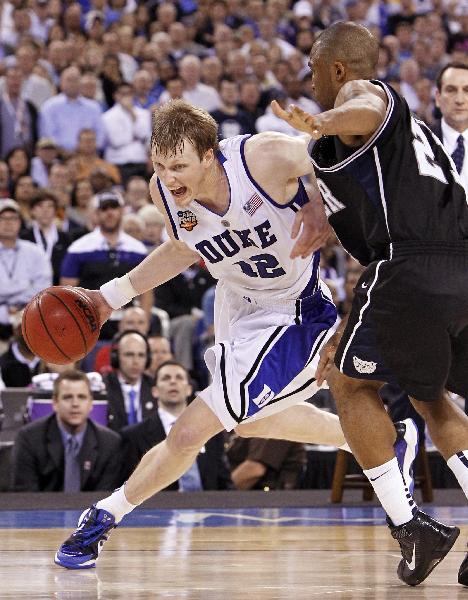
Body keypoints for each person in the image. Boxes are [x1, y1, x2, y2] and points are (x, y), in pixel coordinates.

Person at [55, 99, 417, 570]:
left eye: (180, 165)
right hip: (238, 305)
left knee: (191, 430)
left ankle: (104, 516)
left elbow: (345, 153)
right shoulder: (163, 192)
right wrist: (111, 297)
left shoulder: (262, 158)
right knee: (245, 423)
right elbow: (184, 249)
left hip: (296, 312)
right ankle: (385, 439)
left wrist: (321, 205)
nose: (169, 177)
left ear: (210, 154)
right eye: (160, 165)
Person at [272, 21, 468, 587]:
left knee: (349, 384)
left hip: (409, 267)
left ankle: (411, 527)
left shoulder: (366, 95)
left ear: (337, 67)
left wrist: (323, 120)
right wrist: (318, 209)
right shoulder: (409, 141)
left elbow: (362, 107)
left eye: (313, 66)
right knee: (430, 398)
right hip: (458, 269)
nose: (309, 75)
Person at [119, 360, 231, 490]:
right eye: (166, 378)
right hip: (157, 508)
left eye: (179, 377)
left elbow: (224, 482)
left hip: (209, 507)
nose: (173, 382)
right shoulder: (134, 436)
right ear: (154, 391)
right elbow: (128, 488)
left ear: (189, 389)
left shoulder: (212, 431)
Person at [11, 369, 121, 492]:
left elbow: (105, 498)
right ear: (55, 402)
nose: (75, 404)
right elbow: (26, 497)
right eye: (68, 397)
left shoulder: (109, 443)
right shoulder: (29, 439)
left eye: (82, 397)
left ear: (91, 403)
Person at [103, 330, 156, 431]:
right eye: (129, 355)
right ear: (116, 357)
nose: (136, 361)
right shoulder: (104, 386)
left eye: (141, 355)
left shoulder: (155, 387)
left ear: (148, 359)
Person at [433, 62, 468, 194]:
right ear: (438, 97)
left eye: (467, 90)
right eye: (451, 90)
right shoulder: (416, 144)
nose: (459, 100)